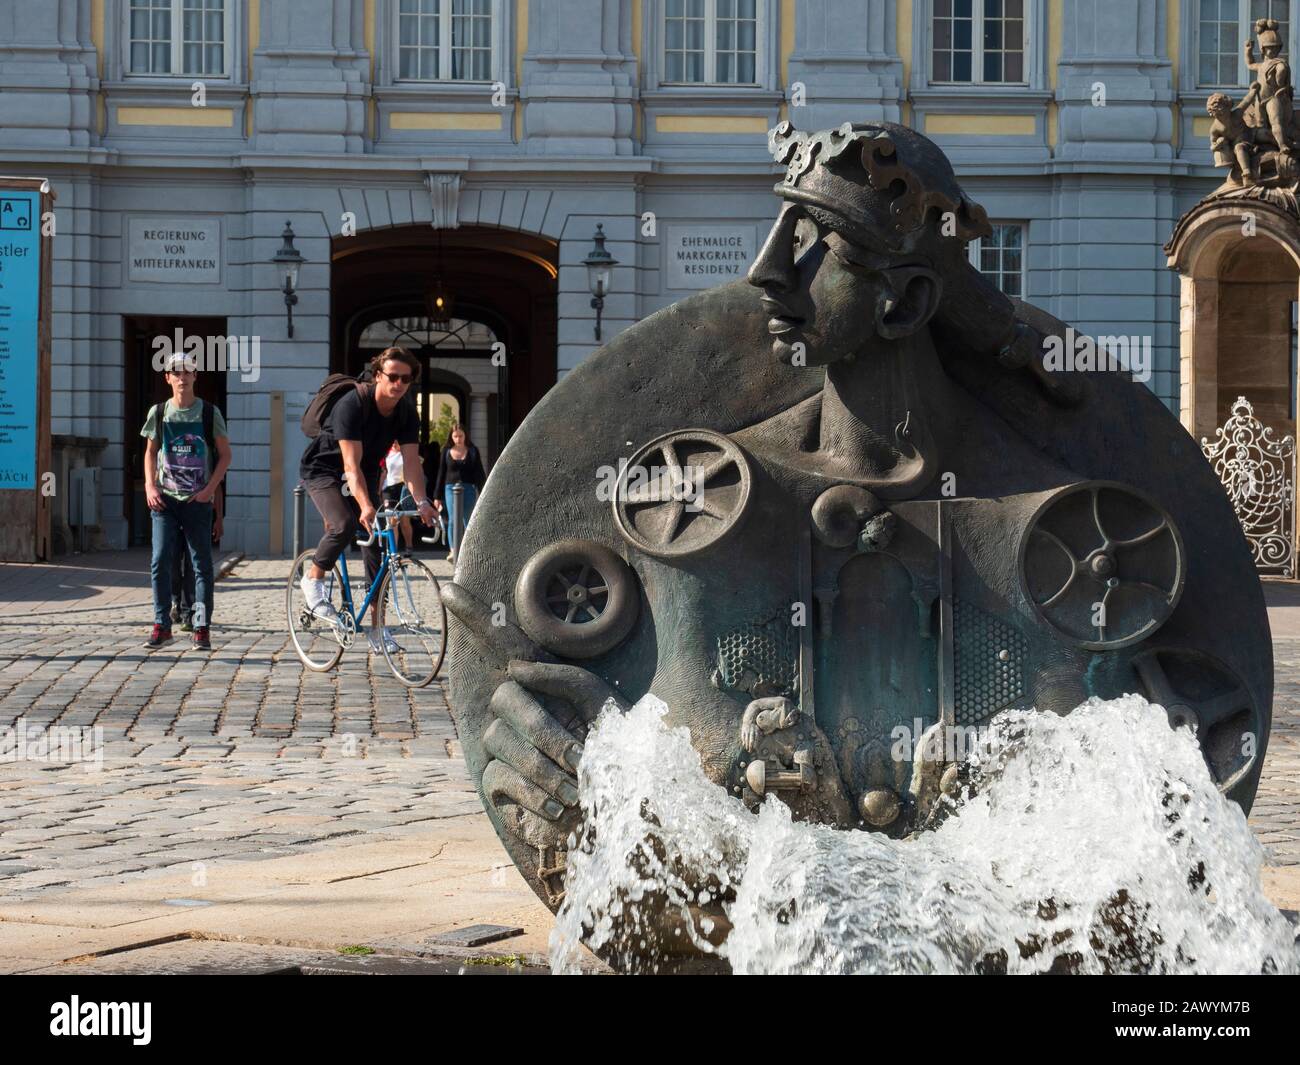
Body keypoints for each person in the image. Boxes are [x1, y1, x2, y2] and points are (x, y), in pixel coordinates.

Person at [298, 347, 438, 654]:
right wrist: (364, 505)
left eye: (406, 379)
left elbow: (412, 463)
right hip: (324, 471)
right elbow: (350, 466)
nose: (399, 383)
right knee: (344, 524)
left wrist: (423, 501)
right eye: (393, 377)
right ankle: (314, 577)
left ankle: (378, 628)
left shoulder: (405, 411)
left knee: (378, 545)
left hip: (367, 473)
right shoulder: (353, 404)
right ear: (378, 376)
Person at [141, 352, 232, 651]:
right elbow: (151, 452)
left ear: (195, 377)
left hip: (197, 500)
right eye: (175, 372)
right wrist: (150, 485)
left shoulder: (208, 413)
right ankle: (161, 625)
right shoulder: (159, 412)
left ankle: (201, 626)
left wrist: (209, 491)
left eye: (187, 372)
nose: (182, 377)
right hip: (165, 499)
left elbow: (225, 455)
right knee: (160, 561)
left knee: (201, 565)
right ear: (167, 378)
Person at [433, 422, 486, 563]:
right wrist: (437, 496)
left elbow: (479, 473)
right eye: (455, 436)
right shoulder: (446, 451)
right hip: (450, 488)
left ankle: (469, 549)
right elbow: (441, 473)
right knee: (453, 519)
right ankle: (453, 549)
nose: (458, 439)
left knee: (468, 519)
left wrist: (483, 492)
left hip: (468, 488)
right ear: (451, 437)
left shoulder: (473, 451)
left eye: (461, 436)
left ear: (465, 436)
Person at [380, 440, 415, 552]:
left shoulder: (406, 454)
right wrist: (379, 489)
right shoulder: (386, 454)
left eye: (397, 442)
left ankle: (409, 546)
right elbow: (383, 472)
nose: (394, 444)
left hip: (402, 488)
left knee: (405, 521)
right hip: (388, 489)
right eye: (393, 442)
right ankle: (392, 549)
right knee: (391, 520)